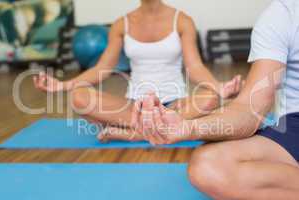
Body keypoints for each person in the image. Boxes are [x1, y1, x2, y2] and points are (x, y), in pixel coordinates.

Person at [134, 0, 299, 199]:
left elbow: (194, 67)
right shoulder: (282, 14)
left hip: (176, 99)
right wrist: (188, 128)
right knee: (208, 166)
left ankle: (125, 132)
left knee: (207, 101)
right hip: (294, 125)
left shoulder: (181, 21)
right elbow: (249, 109)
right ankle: (127, 132)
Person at [33, 0, 242, 142]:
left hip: (174, 107)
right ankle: (148, 130)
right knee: (79, 97)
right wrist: (63, 85)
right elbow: (102, 68)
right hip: (134, 109)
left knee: (211, 98)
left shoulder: (182, 20)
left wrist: (219, 88)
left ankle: (134, 134)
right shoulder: (121, 24)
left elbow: (194, 67)